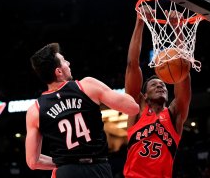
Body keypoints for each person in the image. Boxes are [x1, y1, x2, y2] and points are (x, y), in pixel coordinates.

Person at [25, 43, 140, 178]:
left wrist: (62, 163)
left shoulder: (35, 110)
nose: (68, 63)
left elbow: (32, 162)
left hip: (66, 172)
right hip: (98, 168)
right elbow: (133, 108)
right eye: (64, 61)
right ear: (59, 71)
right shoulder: (86, 86)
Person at [123, 7, 192, 178]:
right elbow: (132, 64)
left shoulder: (175, 115)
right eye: (154, 85)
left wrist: (177, 29)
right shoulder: (137, 109)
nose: (160, 86)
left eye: (163, 85)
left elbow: (184, 73)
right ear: (144, 96)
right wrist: (140, 22)